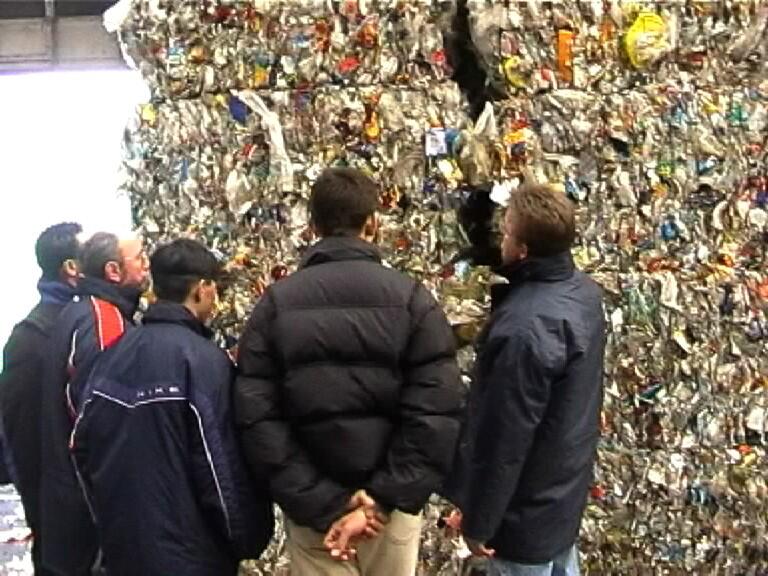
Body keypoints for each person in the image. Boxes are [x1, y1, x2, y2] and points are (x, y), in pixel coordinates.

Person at [234, 167, 465, 575]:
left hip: (315, 522)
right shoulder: (413, 302)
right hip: (386, 518)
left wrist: (321, 500)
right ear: (372, 223)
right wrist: (379, 499)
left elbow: (258, 418)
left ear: (313, 226)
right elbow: (435, 413)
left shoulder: (275, 307)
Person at [71, 239, 274, 576]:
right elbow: (221, 472)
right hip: (192, 557)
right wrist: (248, 540)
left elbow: (81, 447)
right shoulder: (206, 364)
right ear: (201, 288)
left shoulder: (112, 357)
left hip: (125, 552)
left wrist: (110, 525)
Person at [444, 183, 605, 576]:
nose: (503, 238)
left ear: (523, 249)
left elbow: (505, 440)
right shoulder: (584, 295)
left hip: (521, 523)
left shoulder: (524, 330)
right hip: (559, 506)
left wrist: (479, 521)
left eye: (508, 232)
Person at [39, 232, 150, 576]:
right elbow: (101, 421)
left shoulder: (77, 313)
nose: (147, 262)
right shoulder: (105, 322)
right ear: (113, 271)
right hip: (95, 520)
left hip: (69, 508)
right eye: (140, 256)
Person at [0, 222, 82, 575]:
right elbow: (21, 440)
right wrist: (45, 508)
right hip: (62, 517)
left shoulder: (83, 321)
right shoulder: (32, 339)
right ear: (71, 268)